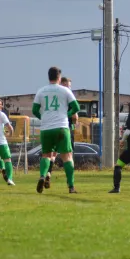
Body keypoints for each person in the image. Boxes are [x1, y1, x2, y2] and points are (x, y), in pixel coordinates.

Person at [32, 66, 80, 194]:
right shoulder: (65, 91)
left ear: (48, 77)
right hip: (62, 127)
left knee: (46, 155)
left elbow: (34, 110)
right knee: (67, 157)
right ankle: (71, 186)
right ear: (59, 77)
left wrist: (44, 117)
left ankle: (43, 176)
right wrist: (67, 114)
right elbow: (76, 107)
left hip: (46, 128)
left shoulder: (41, 91)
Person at [44, 76, 78, 189]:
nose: (69, 88)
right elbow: (75, 116)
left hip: (50, 128)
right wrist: (73, 121)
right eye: (67, 86)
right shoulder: (68, 97)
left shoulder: (51, 95)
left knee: (51, 154)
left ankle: (48, 173)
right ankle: (70, 184)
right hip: (65, 128)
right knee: (68, 156)